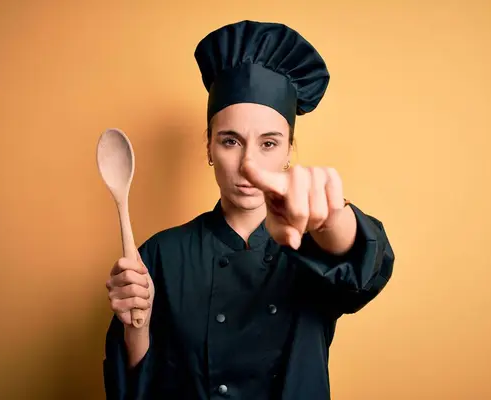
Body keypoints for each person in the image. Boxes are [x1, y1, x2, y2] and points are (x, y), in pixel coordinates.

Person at [103, 20, 395, 400]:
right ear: (208, 146)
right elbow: (138, 390)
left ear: (290, 150)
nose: (247, 164)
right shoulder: (161, 255)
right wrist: (135, 326)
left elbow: (366, 270)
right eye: (230, 141)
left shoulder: (312, 251)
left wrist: (332, 220)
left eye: (269, 144)